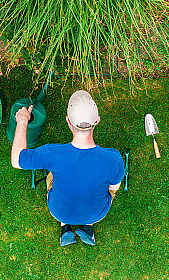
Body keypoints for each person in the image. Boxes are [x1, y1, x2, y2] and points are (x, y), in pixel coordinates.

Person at [11, 90, 125, 246]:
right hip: (96, 213)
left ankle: (65, 227)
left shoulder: (52, 153)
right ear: (97, 120)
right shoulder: (114, 158)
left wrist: (22, 121)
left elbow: (17, 161)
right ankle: (87, 226)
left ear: (68, 121)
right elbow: (113, 188)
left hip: (59, 211)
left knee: (52, 176)